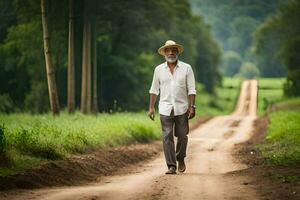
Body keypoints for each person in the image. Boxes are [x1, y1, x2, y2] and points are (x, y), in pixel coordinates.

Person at [148, 40, 196, 174]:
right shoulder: (158, 70)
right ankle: (171, 166)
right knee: (167, 136)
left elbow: (191, 89)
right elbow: (154, 90)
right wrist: (151, 108)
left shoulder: (187, 68)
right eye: (168, 50)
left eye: (173, 50)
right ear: (164, 53)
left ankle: (180, 158)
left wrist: (192, 106)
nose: (171, 53)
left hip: (182, 108)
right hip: (165, 108)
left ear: (177, 52)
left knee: (182, 136)